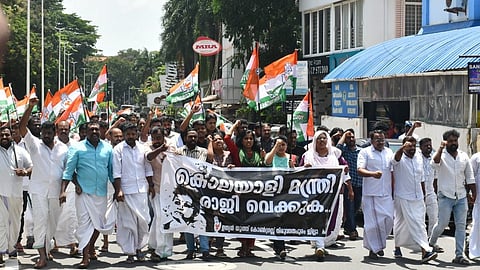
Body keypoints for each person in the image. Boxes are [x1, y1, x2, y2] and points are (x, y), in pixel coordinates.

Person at [19, 98, 69, 269]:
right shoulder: (35, 145)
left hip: (56, 192)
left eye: (49, 132)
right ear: (40, 133)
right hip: (38, 191)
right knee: (41, 221)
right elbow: (21, 127)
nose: (46, 135)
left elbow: (67, 172)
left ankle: (47, 247)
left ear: (54, 132)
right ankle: (41, 255)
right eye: (43, 133)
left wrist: (64, 190)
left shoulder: (63, 148)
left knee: (53, 222)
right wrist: (30, 107)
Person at [60, 122, 116, 268]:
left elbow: (111, 172)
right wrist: (65, 190)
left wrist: (118, 190)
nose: (95, 132)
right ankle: (85, 257)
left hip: (101, 193)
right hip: (83, 192)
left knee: (98, 224)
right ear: (86, 132)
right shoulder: (77, 148)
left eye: (97, 129)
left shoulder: (108, 148)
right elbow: (69, 171)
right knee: (84, 225)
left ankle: (91, 246)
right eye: (91, 129)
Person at [429, 129, 476, 265]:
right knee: (442, 224)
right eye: (450, 141)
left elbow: (470, 176)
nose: (453, 143)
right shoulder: (441, 155)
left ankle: (459, 255)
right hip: (445, 196)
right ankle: (431, 243)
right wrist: (440, 148)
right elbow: (434, 164)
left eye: (455, 140)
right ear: (445, 142)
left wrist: (473, 194)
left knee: (461, 226)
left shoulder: (463, 156)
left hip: (461, 196)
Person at [303, 130, 351, 261]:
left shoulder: (335, 155)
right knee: (317, 219)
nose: (322, 141)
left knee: (333, 219)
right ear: (315, 141)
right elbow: (300, 173)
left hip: (334, 195)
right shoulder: (308, 156)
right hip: (315, 196)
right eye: (319, 139)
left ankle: (323, 243)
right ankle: (319, 245)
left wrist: (349, 188)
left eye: (324, 138)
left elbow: (345, 171)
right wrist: (305, 168)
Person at [391, 136, 437, 263]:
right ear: (404, 146)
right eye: (409, 146)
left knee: (420, 224)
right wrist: (402, 148)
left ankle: (425, 251)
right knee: (401, 223)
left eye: (413, 145)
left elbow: (421, 177)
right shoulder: (399, 157)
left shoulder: (418, 157)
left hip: (418, 197)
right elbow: (395, 160)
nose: (412, 148)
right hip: (403, 196)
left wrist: (423, 194)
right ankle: (401, 247)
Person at [113, 123, 153, 263]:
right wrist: (119, 190)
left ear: (136, 134)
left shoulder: (143, 148)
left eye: (133, 134)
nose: (130, 136)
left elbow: (148, 169)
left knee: (143, 221)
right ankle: (130, 252)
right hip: (126, 191)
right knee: (128, 223)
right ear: (124, 135)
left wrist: (151, 186)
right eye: (128, 134)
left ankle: (139, 248)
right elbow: (116, 173)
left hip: (142, 189)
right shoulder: (118, 150)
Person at [357, 129, 394, 260]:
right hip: (371, 194)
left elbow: (393, 171)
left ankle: (378, 244)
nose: (380, 142)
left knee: (388, 220)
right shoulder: (365, 152)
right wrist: (372, 174)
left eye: (382, 139)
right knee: (372, 224)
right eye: (377, 139)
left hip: (386, 194)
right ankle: (373, 249)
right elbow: (360, 170)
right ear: (372, 141)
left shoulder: (389, 152)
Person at [0, 126, 32, 267]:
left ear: (11, 135)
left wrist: (25, 172)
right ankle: (1, 252)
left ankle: (12, 249)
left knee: (14, 223)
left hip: (16, 193)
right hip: (0, 194)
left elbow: (31, 166)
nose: (4, 137)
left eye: (7, 134)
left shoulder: (20, 151)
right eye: (2, 135)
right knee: (0, 224)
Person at [176, 129, 210, 260]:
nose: (193, 139)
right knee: (187, 219)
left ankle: (205, 249)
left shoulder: (203, 152)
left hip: (200, 190)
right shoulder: (178, 152)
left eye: (195, 137)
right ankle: (190, 249)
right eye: (190, 137)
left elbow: (197, 166)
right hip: (184, 191)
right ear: (185, 138)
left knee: (201, 219)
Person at [146, 126, 173, 262]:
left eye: (159, 138)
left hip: (170, 190)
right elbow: (149, 158)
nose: (156, 141)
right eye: (154, 138)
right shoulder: (148, 148)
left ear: (164, 137)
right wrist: (160, 150)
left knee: (162, 218)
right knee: (161, 217)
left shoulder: (171, 148)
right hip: (155, 189)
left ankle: (155, 245)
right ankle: (160, 250)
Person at [264, 135, 293, 260]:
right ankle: (280, 246)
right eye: (278, 144)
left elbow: (294, 174)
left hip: (285, 193)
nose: (281, 147)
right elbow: (267, 162)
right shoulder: (271, 156)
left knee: (282, 219)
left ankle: (279, 244)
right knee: (276, 219)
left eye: (283, 145)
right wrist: (274, 148)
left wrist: (292, 166)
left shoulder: (290, 158)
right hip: (273, 193)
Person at [336, 129, 362, 240]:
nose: (351, 139)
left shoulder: (361, 151)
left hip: (360, 183)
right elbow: (337, 149)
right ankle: (352, 229)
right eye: (348, 137)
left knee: (356, 205)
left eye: (352, 137)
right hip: (348, 183)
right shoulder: (344, 151)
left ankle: (347, 226)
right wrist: (343, 136)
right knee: (350, 206)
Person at [419, 137, 438, 238]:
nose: (429, 147)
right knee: (420, 219)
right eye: (426, 146)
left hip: (430, 192)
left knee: (434, 218)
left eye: (430, 145)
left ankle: (432, 240)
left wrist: (436, 192)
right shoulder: (417, 158)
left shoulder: (434, 158)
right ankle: (422, 242)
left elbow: (436, 178)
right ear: (421, 147)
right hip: (419, 193)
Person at [469, 150, 480, 259]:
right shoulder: (476, 157)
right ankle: (472, 250)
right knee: (477, 224)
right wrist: (470, 193)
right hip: (479, 197)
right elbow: (470, 176)